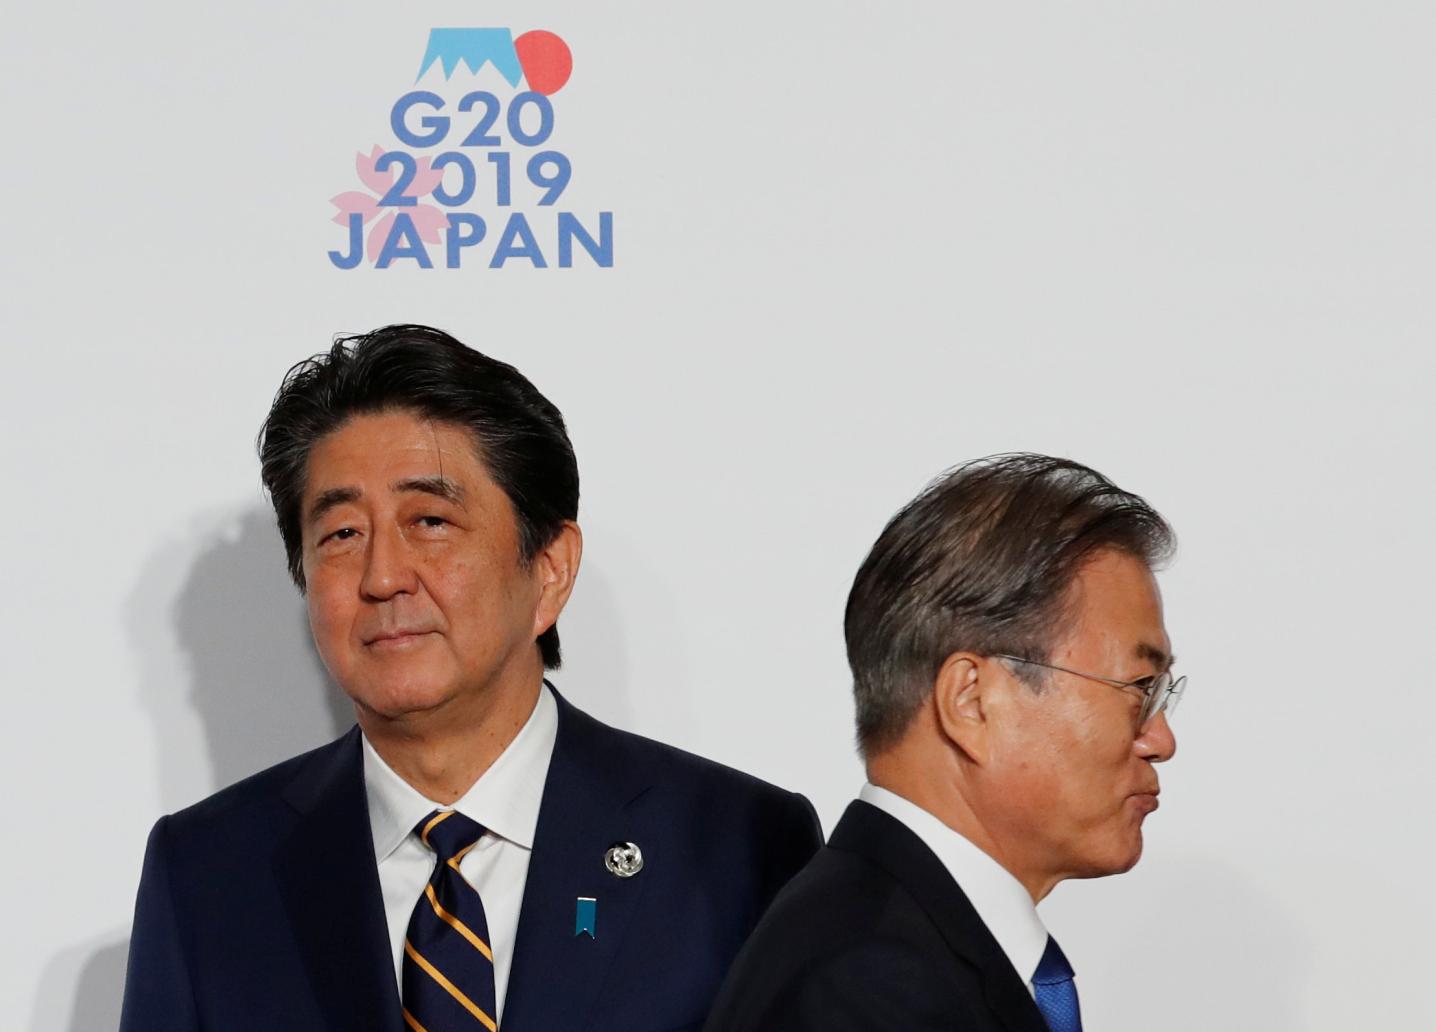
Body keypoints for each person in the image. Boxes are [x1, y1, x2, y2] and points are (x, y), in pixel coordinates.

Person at [120, 324, 822, 1032]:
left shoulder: (740, 847)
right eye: (340, 535)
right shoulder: (208, 875)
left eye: (429, 520)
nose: (383, 577)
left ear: (549, 569)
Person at [705, 454, 1185, 1032]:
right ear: (972, 701)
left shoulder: (893, 945)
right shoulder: (868, 988)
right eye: (1139, 688)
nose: (1161, 740)